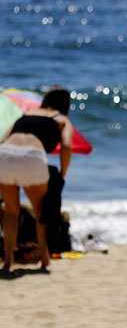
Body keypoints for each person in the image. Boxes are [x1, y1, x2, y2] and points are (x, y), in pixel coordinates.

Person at [0, 87, 73, 275]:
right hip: (32, 156)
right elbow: (66, 145)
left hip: (5, 155)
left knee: (11, 212)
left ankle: (8, 261)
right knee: (41, 213)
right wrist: (63, 172)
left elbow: (3, 139)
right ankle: (44, 258)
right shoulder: (61, 119)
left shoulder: (25, 115)